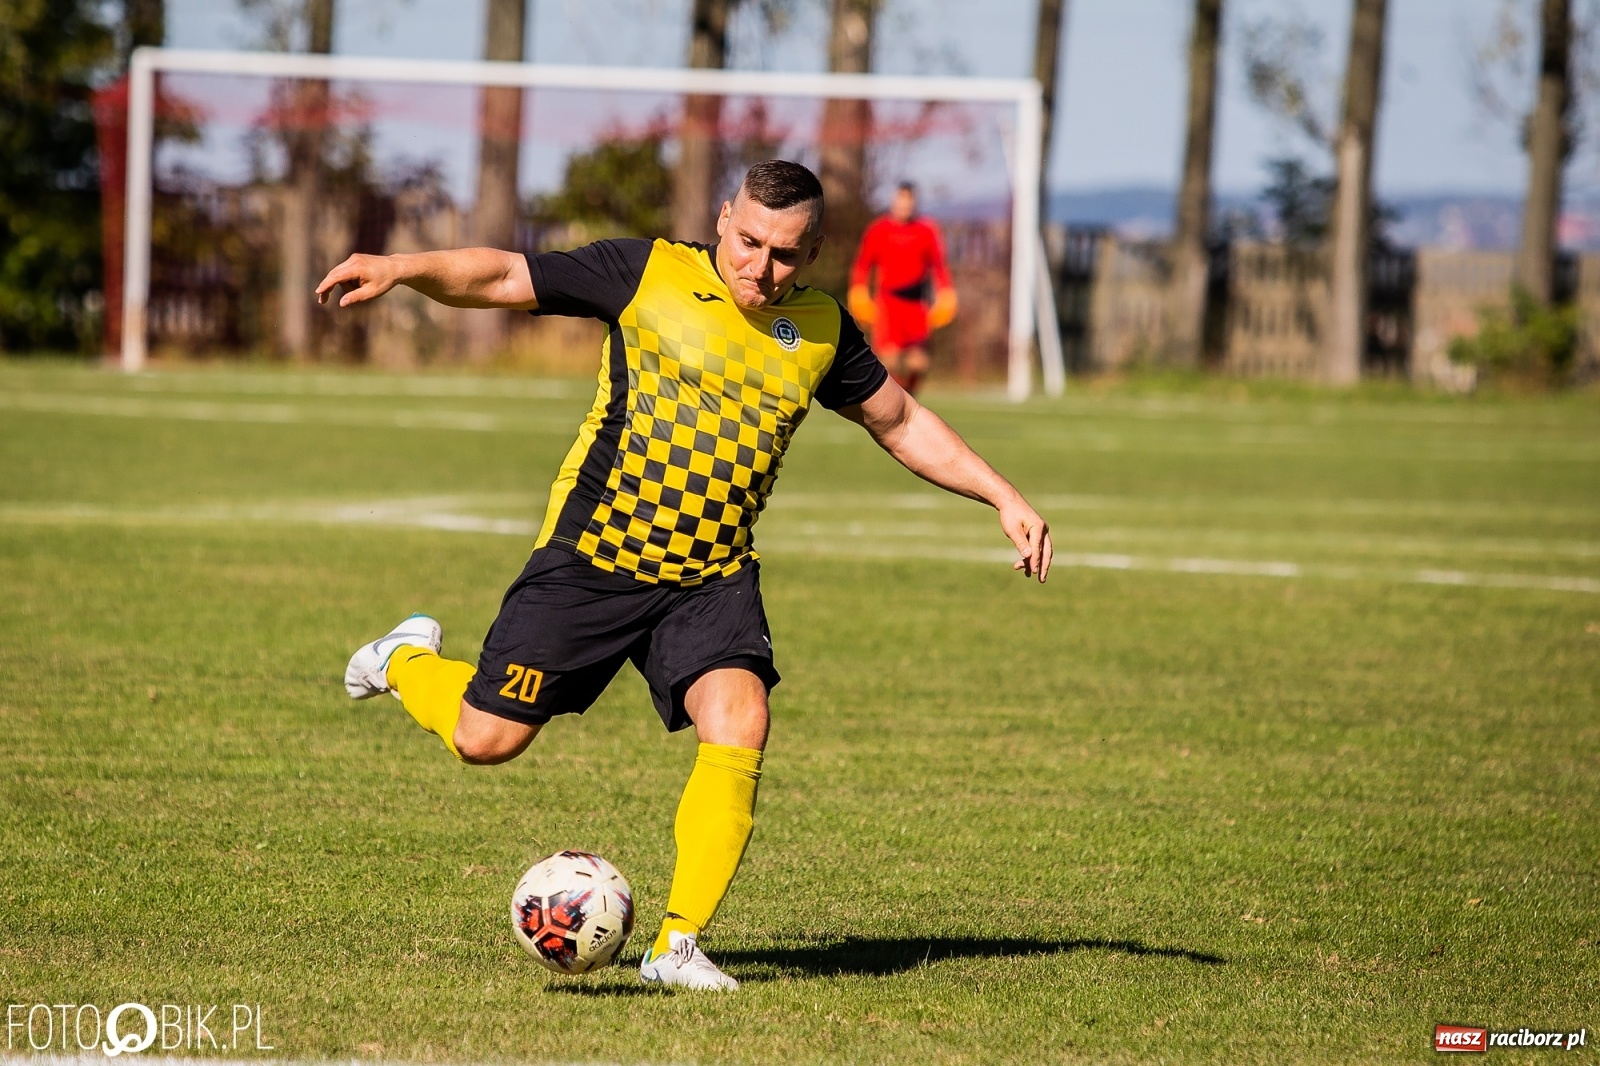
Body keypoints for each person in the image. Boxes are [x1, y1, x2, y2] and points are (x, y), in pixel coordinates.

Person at [316, 159, 1051, 992]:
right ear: (723, 214)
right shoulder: (646, 273)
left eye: (783, 253)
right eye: (746, 241)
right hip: (594, 558)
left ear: (810, 253)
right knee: (487, 740)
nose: (759, 267)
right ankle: (405, 656)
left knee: (741, 718)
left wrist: (1001, 494)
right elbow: (504, 274)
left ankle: (677, 946)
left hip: (710, 573)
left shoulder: (818, 329)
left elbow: (902, 420)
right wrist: (401, 269)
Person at [847, 182, 958, 395]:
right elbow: (862, 265)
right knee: (889, 361)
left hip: (916, 305)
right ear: (894, 201)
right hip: (889, 304)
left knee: (919, 363)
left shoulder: (926, 231)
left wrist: (946, 293)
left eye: (909, 201)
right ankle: (892, 404)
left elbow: (939, 266)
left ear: (914, 202)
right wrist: (859, 292)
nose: (905, 205)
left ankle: (909, 400)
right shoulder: (879, 230)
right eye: (901, 200)